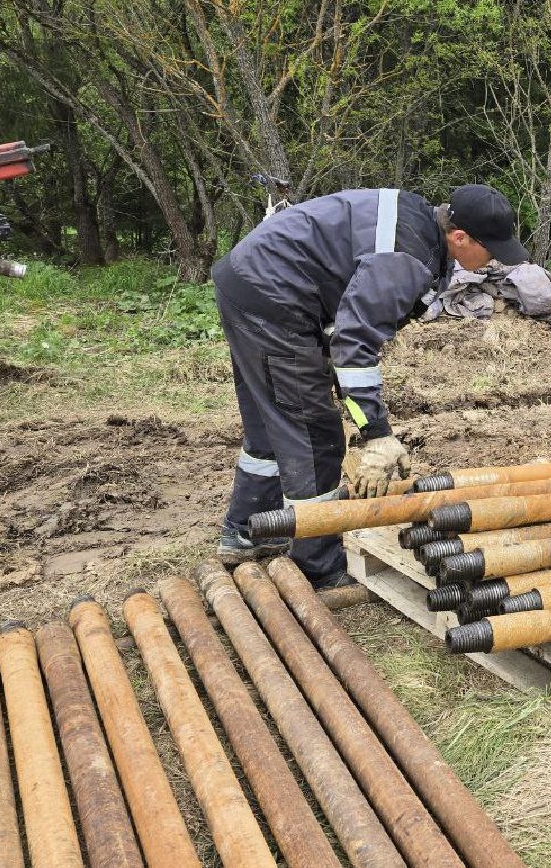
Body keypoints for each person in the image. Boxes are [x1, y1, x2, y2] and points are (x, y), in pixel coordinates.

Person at [210, 184, 529, 587]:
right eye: (491, 251)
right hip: (272, 297)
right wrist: (376, 433)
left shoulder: (420, 220)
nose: (490, 262)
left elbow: (343, 303)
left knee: (270, 422)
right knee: (314, 436)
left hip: (252, 283)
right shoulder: (405, 258)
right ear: (460, 237)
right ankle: (318, 568)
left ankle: (250, 529)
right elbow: (354, 343)